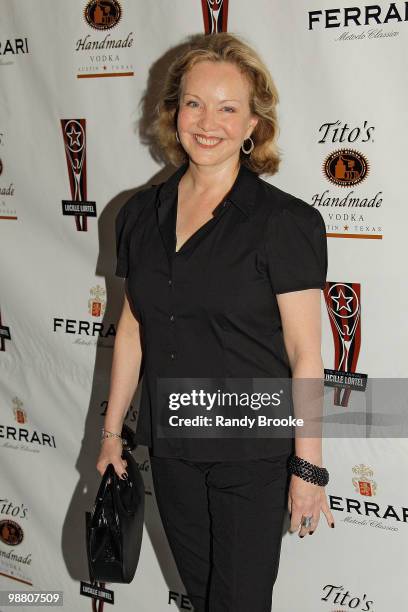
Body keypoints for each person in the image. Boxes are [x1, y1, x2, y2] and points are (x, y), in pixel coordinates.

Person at [97, 32, 335, 612]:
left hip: (252, 452)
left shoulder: (284, 223)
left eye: (230, 108)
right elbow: (133, 329)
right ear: (173, 111)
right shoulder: (139, 214)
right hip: (173, 448)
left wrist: (309, 465)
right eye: (195, 103)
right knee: (203, 599)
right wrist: (110, 434)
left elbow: (306, 353)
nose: (209, 122)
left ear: (255, 124)